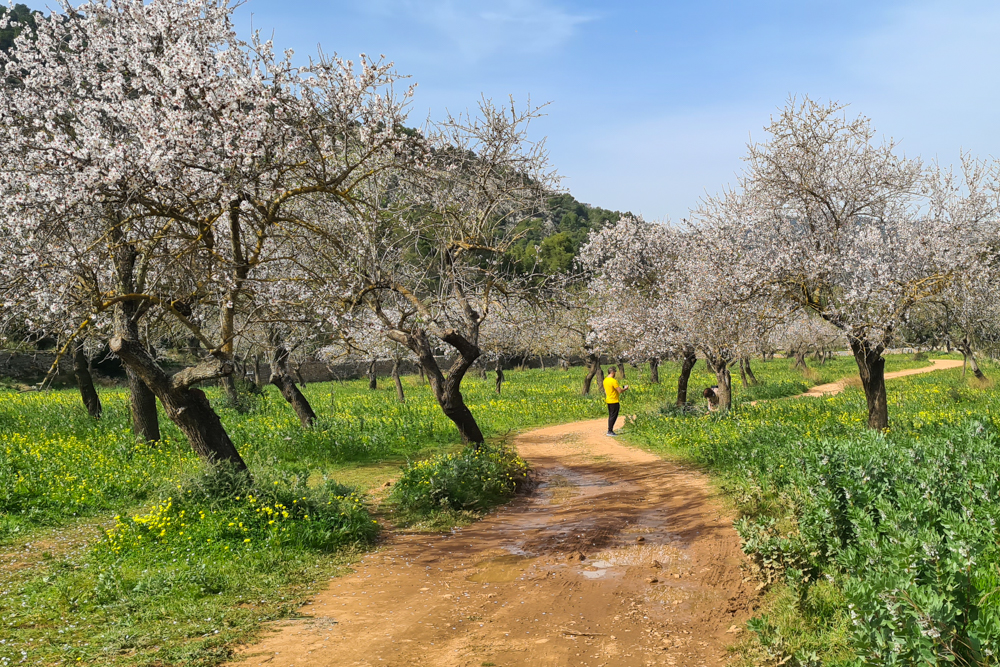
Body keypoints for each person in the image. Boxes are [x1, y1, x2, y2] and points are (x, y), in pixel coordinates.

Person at [603, 367, 629, 436]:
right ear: (613, 372)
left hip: (608, 400)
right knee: (613, 416)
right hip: (614, 400)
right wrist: (625, 388)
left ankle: (610, 430)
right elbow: (620, 391)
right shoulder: (613, 381)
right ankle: (610, 431)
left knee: (611, 415)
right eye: (615, 372)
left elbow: (605, 391)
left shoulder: (605, 380)